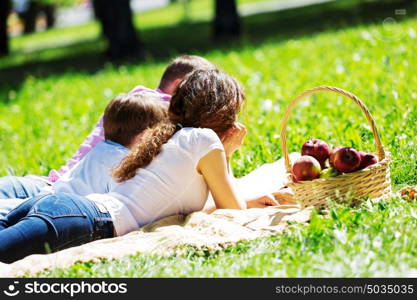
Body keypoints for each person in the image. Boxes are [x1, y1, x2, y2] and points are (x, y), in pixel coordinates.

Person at [0, 69, 280, 263]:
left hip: (67, 211)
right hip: (79, 220)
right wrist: (227, 151)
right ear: (224, 114)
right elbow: (232, 211)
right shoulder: (203, 140)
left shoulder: (170, 136)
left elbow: (180, 200)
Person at [0, 55, 215, 215]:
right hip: (68, 196)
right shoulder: (162, 112)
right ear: (179, 85)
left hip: (56, 182)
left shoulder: (135, 99)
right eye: (201, 90)